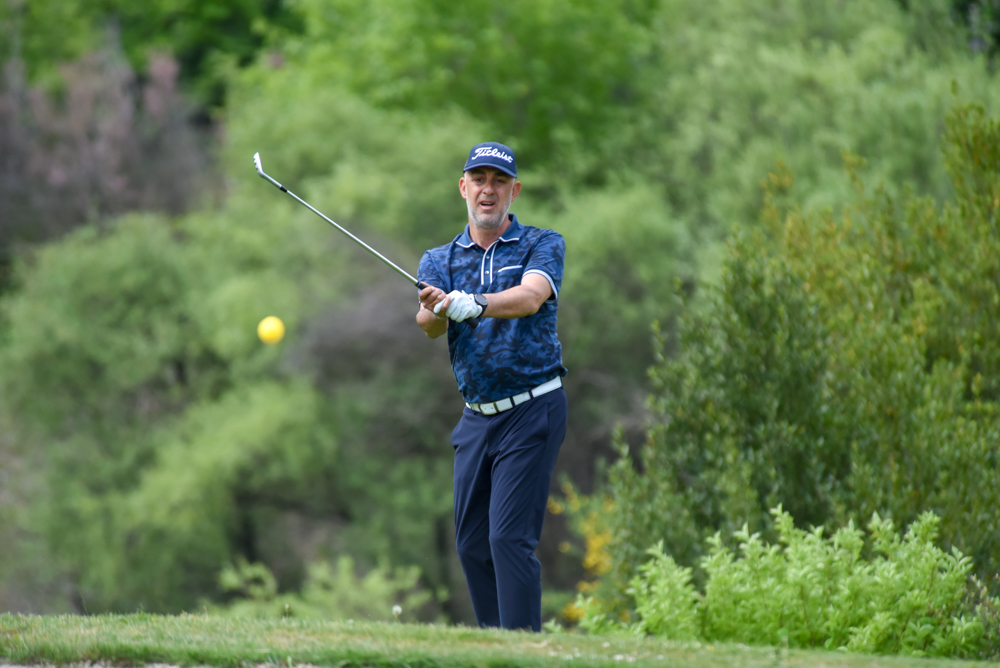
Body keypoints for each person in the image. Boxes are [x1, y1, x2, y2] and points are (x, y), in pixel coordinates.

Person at [415, 141, 568, 632]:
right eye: (478, 179)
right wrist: (439, 308)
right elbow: (427, 325)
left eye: (499, 181)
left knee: (508, 539)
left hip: (533, 408)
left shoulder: (542, 243)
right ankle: (496, 646)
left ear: (514, 191)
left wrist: (477, 303)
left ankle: (522, 650)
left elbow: (531, 296)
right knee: (472, 544)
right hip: (476, 417)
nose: (488, 189)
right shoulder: (438, 259)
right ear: (463, 187)